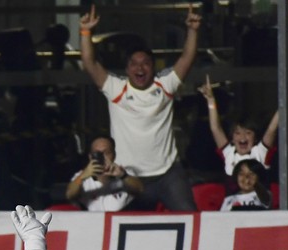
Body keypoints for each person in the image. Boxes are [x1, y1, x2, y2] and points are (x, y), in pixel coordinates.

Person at [78, 4, 200, 212]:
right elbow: (89, 63)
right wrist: (86, 32)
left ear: (153, 67)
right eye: (134, 63)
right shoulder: (116, 88)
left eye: (145, 63)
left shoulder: (165, 85)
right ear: (127, 69)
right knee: (124, 229)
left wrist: (193, 30)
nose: (140, 68)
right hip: (129, 176)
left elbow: (186, 58)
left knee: (192, 221)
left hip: (168, 174)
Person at [198, 74, 278, 179]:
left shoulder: (260, 152)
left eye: (248, 133)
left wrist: (285, 104)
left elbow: (271, 129)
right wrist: (211, 100)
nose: (243, 137)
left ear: (255, 139)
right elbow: (215, 129)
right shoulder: (229, 153)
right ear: (232, 139)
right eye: (238, 133)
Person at [65, 135, 143, 211]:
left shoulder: (125, 174)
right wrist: (82, 177)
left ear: (114, 155)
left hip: (121, 220)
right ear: (90, 157)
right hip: (91, 221)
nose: (103, 158)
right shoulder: (81, 177)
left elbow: (140, 190)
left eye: (106, 153)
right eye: (97, 154)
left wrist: (122, 175)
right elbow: (69, 195)